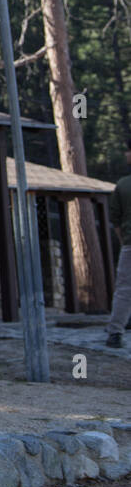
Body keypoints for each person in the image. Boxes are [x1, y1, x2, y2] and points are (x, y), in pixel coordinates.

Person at [105, 139, 131, 348]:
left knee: (124, 289)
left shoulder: (123, 185)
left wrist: (124, 242)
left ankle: (115, 333)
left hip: (130, 244)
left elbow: (115, 219)